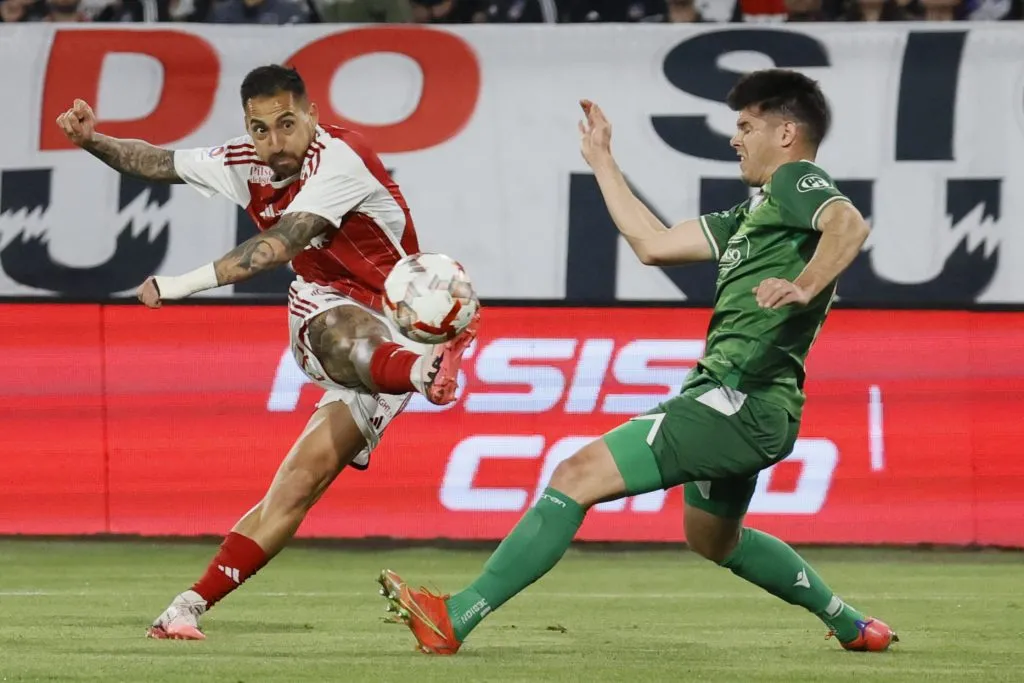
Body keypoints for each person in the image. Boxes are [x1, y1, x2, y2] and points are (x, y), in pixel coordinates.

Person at [378, 68, 897, 655]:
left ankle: (457, 617)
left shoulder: (797, 181)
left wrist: (804, 285)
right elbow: (652, 244)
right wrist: (603, 160)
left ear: (786, 133)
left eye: (746, 126)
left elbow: (848, 223)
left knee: (576, 476)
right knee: (714, 541)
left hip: (734, 399)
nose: (735, 138)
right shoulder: (749, 218)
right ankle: (852, 623)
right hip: (752, 406)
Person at [55, 64, 479, 641]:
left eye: (286, 124)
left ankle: (185, 608)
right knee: (342, 331)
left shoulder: (340, 158)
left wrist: (176, 286)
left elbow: (281, 242)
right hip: (323, 307)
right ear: (247, 127)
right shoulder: (244, 162)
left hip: (397, 316)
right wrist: (92, 141)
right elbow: (156, 162)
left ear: (310, 116)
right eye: (260, 128)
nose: (274, 142)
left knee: (300, 484)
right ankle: (422, 371)